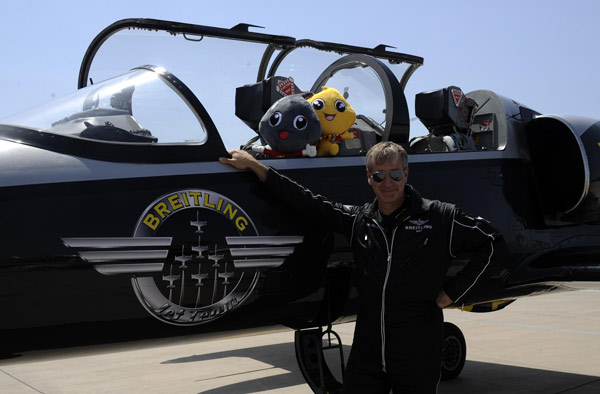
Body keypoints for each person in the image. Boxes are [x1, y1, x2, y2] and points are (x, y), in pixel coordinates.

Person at [219, 141, 504, 394]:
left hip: (417, 354)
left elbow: (491, 242)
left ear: (406, 174)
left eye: (395, 174)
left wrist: (455, 291)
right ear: (369, 178)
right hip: (367, 354)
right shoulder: (360, 221)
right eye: (379, 175)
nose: (388, 182)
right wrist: (257, 167)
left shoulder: (440, 216)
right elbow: (308, 202)